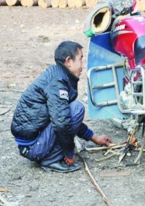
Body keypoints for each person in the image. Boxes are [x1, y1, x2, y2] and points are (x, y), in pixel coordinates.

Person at [11, 41, 112, 173]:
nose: (82, 66)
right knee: (76, 108)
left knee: (71, 110)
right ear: (69, 61)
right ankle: (51, 159)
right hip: (33, 147)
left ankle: (50, 153)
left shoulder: (59, 75)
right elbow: (62, 122)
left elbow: (65, 116)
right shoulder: (57, 82)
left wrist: (94, 137)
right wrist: (69, 153)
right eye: (81, 59)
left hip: (32, 142)